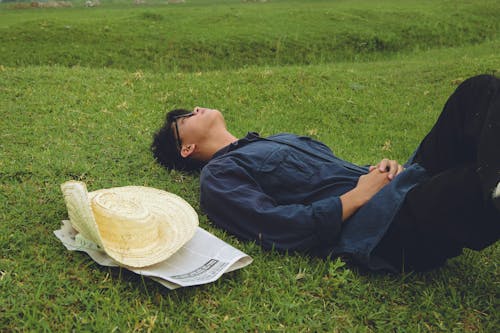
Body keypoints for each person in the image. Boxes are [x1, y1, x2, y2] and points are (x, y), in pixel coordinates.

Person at [151, 74, 500, 273]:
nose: (196, 108)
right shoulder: (218, 175)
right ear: (186, 148)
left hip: (403, 184)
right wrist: (360, 195)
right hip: (383, 226)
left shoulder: (272, 141)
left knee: (478, 91)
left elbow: (335, 176)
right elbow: (275, 225)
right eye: (186, 117)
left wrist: (380, 171)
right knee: (468, 182)